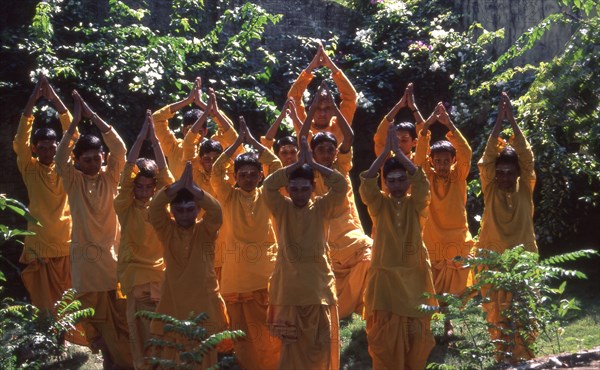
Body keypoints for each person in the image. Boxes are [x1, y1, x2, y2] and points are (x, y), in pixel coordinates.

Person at [56, 90, 132, 368]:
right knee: (96, 320)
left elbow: (121, 150)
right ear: (77, 161)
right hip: (86, 262)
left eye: (96, 157)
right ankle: (110, 360)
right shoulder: (72, 181)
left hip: (113, 257)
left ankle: (119, 360)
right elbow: (61, 154)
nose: (92, 163)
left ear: (102, 156)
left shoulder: (112, 177)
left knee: (120, 316)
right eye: (86, 159)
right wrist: (74, 123)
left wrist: (93, 116)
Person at [263, 137, 347, 370]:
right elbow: (268, 186)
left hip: (318, 288)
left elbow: (340, 185)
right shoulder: (281, 207)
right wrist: (296, 164)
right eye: (294, 188)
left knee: (320, 347)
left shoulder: (321, 207)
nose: (299, 193)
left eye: (305, 188)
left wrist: (314, 164)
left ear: (313, 187)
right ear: (288, 189)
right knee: (291, 350)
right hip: (288, 290)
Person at [359, 125, 437, 370]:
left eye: (402, 179)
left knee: (416, 338)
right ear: (385, 183)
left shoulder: (416, 204)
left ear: (407, 181)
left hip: (414, 276)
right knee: (384, 338)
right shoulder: (379, 205)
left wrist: (401, 156)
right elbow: (366, 185)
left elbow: (423, 184)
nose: (396, 184)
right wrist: (384, 155)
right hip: (385, 281)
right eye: (390, 180)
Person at [210, 118, 282, 369]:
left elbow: (276, 163)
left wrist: (251, 142)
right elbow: (216, 171)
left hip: (266, 275)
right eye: (243, 175)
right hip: (237, 277)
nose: (249, 179)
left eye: (254, 174)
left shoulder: (268, 194)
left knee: (271, 331)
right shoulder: (228, 196)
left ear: (261, 176)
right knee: (243, 334)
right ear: (235, 177)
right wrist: (236, 145)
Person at [300, 84, 372, 319]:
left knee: (372, 255)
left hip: (349, 232)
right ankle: (340, 309)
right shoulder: (309, 172)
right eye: (321, 150)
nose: (327, 154)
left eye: (331, 150)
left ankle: (356, 307)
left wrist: (334, 107)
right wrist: (311, 111)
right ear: (312, 153)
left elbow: (348, 135)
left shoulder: (341, 167)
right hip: (324, 236)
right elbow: (302, 135)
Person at [148, 161, 229, 368]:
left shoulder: (206, 231)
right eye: (180, 210)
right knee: (174, 354)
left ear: (198, 210)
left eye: (190, 209)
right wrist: (174, 188)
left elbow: (217, 212)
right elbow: (155, 208)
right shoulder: (166, 230)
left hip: (204, 299)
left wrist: (195, 189)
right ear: (172, 211)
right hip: (173, 299)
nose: (185, 214)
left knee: (205, 354)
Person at [477, 92, 538, 362]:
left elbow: (527, 157)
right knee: (497, 310)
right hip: (493, 256)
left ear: (518, 174)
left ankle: (523, 356)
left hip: (523, 256)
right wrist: (497, 122)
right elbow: (486, 160)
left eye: (508, 172)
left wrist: (512, 121)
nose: (503, 176)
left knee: (524, 309)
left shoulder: (526, 186)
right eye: (499, 172)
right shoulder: (489, 188)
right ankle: (502, 357)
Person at [114, 110, 174, 369]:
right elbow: (126, 175)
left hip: (160, 275)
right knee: (139, 333)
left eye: (149, 187)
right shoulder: (124, 205)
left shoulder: (160, 207)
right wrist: (141, 137)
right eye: (140, 186)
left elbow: (166, 177)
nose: (144, 191)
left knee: (162, 331)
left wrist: (156, 141)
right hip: (135, 275)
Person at [13, 74, 76, 313]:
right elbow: (21, 139)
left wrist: (55, 99)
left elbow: (73, 132)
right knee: (43, 298)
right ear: (34, 149)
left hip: (66, 242)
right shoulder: (29, 168)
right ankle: (50, 340)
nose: (48, 151)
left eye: (52, 147)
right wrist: (33, 98)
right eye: (42, 148)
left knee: (70, 297)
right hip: (39, 243)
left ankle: (72, 342)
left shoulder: (64, 165)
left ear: (58, 147)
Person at [414, 102, 474, 338]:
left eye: (445, 160)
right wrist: (427, 126)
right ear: (432, 162)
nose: (441, 165)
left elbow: (466, 152)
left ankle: (449, 323)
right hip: (433, 237)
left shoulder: (459, 176)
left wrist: (449, 124)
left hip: (457, 237)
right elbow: (418, 159)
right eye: (437, 161)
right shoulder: (426, 176)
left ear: (452, 160)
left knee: (454, 286)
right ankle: (429, 324)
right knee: (433, 285)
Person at [288, 43, 357, 144]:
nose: (322, 114)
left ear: (334, 110)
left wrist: (331, 66)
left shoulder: (340, 125)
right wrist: (311, 67)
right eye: (317, 109)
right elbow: (293, 98)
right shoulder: (303, 123)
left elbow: (351, 97)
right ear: (310, 109)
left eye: (327, 109)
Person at [152, 77, 204, 178]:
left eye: (199, 131)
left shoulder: (210, 152)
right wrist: (187, 101)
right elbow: (156, 119)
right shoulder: (173, 148)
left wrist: (202, 104)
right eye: (189, 130)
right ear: (183, 130)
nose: (194, 135)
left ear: (206, 131)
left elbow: (227, 129)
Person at [373, 83, 425, 161]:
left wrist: (413, 107)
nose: (399, 144)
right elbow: (379, 139)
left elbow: (424, 139)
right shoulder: (387, 159)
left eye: (404, 140)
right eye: (396, 140)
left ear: (414, 142)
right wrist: (399, 105)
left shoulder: (419, 160)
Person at [260, 98, 301, 167]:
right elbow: (267, 141)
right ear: (277, 155)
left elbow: (308, 138)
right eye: (284, 153)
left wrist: (295, 118)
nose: (289, 156)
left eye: (293, 152)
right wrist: (281, 116)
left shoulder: (307, 170)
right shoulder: (272, 170)